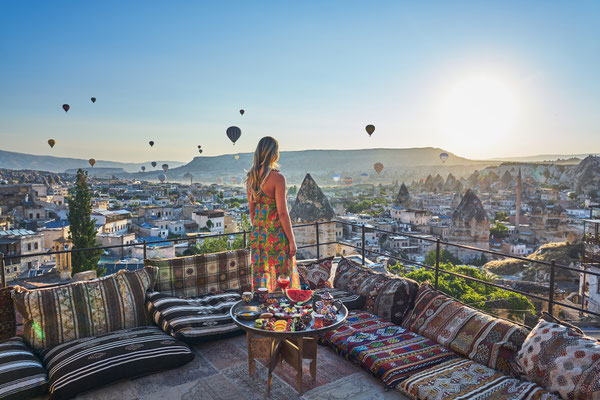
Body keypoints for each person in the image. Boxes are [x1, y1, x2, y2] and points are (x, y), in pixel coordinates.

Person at [246, 136, 300, 292]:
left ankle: (263, 307)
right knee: (281, 275)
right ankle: (281, 309)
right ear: (274, 154)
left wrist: (259, 229)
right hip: (276, 234)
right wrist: (292, 240)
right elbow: (282, 213)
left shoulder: (251, 178)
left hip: (258, 234)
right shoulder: (277, 178)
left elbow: (252, 210)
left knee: (261, 272)